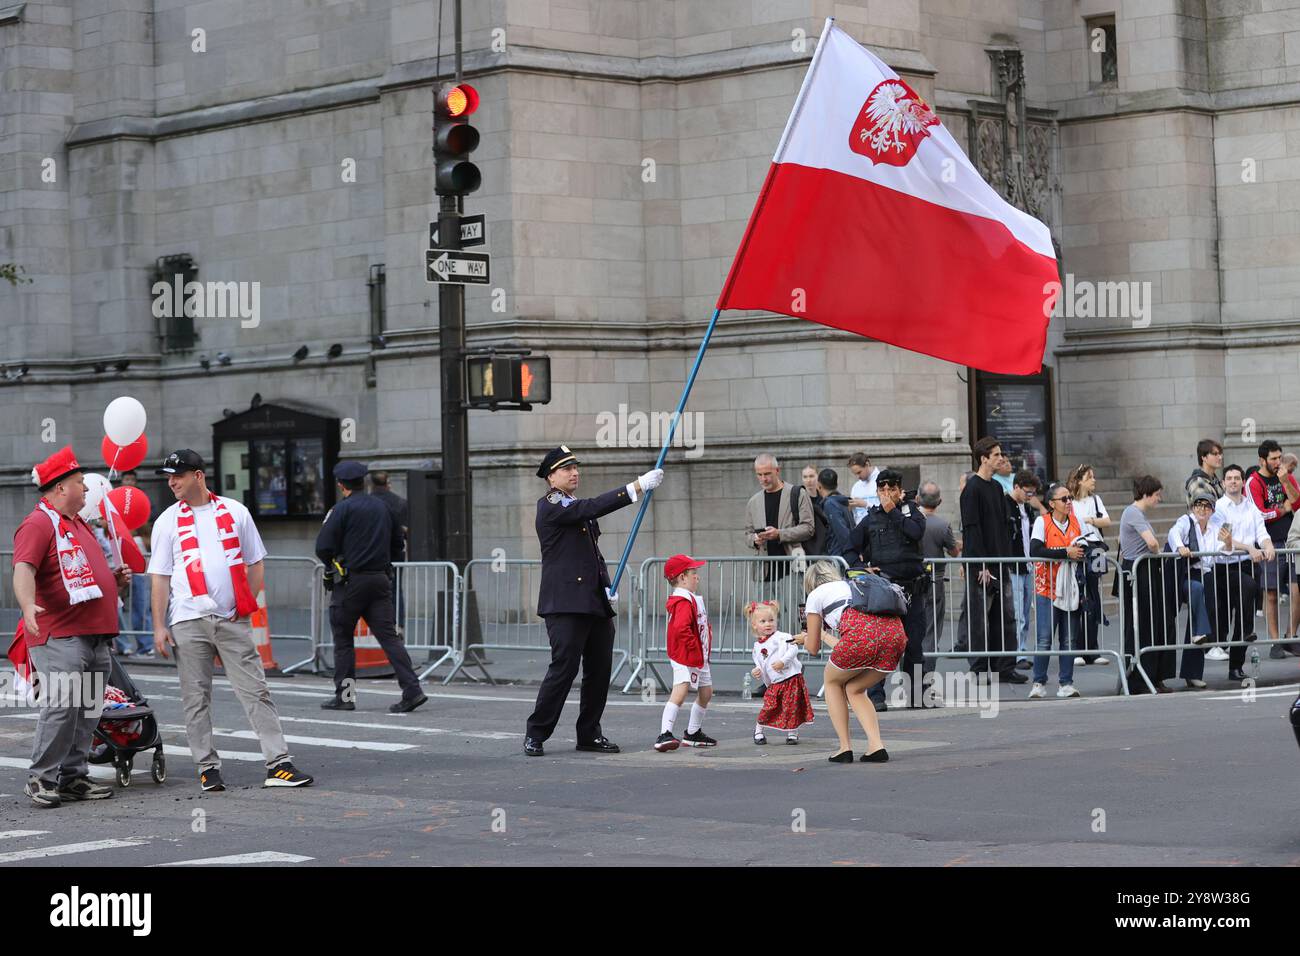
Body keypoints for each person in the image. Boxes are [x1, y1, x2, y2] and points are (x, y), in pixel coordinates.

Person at [149, 449, 313, 791]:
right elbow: (160, 576)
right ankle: (207, 767)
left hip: (230, 618)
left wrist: (246, 604)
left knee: (256, 690)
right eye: (168, 476)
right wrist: (159, 626)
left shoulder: (235, 511)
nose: (171, 482)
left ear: (198, 475)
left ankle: (278, 763)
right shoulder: (166, 521)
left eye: (177, 475)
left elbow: (256, 562)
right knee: (196, 696)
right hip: (187, 618)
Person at [524, 447, 663, 756]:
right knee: (564, 669)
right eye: (566, 469)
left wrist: (605, 586)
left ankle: (589, 733)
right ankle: (536, 732)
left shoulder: (573, 506)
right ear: (551, 477)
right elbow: (592, 507)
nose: (574, 472)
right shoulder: (550, 504)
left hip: (593, 601)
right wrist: (636, 487)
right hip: (565, 604)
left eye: (575, 467)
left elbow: (591, 554)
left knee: (599, 671)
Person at [11, 447, 124, 808]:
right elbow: (23, 569)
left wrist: (113, 581)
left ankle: (73, 776)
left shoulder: (76, 524)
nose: (87, 490)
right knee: (62, 706)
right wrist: (28, 605)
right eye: (80, 483)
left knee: (87, 710)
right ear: (60, 488)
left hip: (93, 634)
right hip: (62, 633)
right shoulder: (39, 523)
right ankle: (41, 778)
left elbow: (85, 575)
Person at [316, 461, 427, 713]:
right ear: (363, 482)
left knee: (344, 640)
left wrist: (334, 563)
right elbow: (398, 543)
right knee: (389, 638)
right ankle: (412, 690)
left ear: (341, 485)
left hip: (350, 583)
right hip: (380, 580)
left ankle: (345, 697)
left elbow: (322, 546)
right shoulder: (384, 508)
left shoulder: (341, 510)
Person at [840, 468, 933, 707]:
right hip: (885, 592)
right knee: (882, 643)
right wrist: (862, 568)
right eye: (883, 489)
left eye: (892, 488)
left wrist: (894, 512)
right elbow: (849, 547)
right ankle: (876, 696)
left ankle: (915, 696)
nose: (887, 493)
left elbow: (915, 532)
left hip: (912, 590)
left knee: (913, 644)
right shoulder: (872, 518)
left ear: (899, 490)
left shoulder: (911, 512)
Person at [799, 561, 905, 763]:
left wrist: (807, 637)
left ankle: (844, 748)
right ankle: (876, 746)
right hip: (895, 635)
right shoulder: (853, 585)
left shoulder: (815, 595)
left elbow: (812, 648)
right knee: (854, 688)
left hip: (860, 637)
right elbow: (846, 643)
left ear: (810, 583)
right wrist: (822, 635)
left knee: (832, 682)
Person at [959, 438, 1027, 683]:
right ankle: (978, 668)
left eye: (1001, 454)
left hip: (1001, 562)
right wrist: (980, 565)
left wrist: (1005, 560)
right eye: (996, 454)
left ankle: (1004, 667)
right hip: (983, 565)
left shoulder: (997, 488)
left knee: (1005, 616)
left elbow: (1002, 527)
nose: (1001, 458)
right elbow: (972, 530)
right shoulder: (972, 489)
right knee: (980, 619)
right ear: (983, 458)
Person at [1168, 491, 1235, 689]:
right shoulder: (1186, 521)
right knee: (1196, 591)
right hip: (1185, 574)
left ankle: (1192, 673)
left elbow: (1223, 553)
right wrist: (1180, 547)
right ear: (1193, 507)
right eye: (1198, 505)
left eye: (1206, 506)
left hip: (1207, 574)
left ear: (1212, 510)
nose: (1202, 509)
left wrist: (1229, 542)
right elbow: (1173, 533)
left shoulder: (1215, 527)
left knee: (1197, 621)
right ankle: (1202, 632)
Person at [1027, 482, 1087, 698]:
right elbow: (1035, 550)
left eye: (1070, 498)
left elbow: (1085, 548)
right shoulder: (1042, 522)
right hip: (1046, 588)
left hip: (1071, 587)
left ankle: (1066, 682)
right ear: (1052, 504)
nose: (1069, 502)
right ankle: (1038, 682)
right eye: (1064, 499)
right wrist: (1065, 553)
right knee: (1044, 638)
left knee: (1069, 638)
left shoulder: (1077, 523)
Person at [1118, 476, 1175, 693]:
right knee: (1145, 624)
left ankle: (1154, 675)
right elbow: (1151, 542)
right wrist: (1157, 552)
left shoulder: (1135, 513)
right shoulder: (1133, 512)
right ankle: (1142, 678)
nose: (1159, 499)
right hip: (1139, 571)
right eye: (1157, 494)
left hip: (1143, 570)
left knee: (1156, 623)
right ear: (1146, 494)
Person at [654, 554, 717, 751]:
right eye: (693, 573)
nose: (697, 577)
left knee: (706, 692)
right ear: (682, 577)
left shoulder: (690, 598)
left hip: (697, 654)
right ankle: (664, 733)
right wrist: (693, 649)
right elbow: (681, 629)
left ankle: (692, 732)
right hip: (686, 654)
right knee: (680, 691)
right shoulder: (682, 600)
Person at [1245, 440, 1300, 657]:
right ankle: (1276, 640)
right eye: (1273, 459)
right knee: (1270, 593)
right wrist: (1281, 509)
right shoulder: (1253, 482)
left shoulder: (1285, 475)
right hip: (1270, 542)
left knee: (1297, 591)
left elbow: (1296, 504)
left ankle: (1290, 636)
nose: (1278, 462)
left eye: (1279, 457)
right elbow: (1258, 514)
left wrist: (1285, 481)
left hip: (1292, 540)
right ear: (1262, 460)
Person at [1216, 464, 1271, 679]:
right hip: (1226, 566)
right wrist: (1249, 547)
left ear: (1242, 481)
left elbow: (1261, 531)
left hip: (1248, 564)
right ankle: (1239, 634)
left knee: (1245, 608)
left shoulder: (1250, 506)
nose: (1233, 482)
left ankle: (1235, 666)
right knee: (1246, 591)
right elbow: (1224, 538)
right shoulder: (1220, 507)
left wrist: (1267, 545)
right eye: (1229, 478)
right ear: (1223, 483)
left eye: (1236, 478)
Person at [748, 600, 814, 744]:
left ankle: (792, 733)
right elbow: (759, 662)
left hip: (790, 678)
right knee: (769, 706)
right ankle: (758, 730)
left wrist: (783, 661)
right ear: (755, 625)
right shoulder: (757, 646)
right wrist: (757, 670)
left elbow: (793, 648)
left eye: (771, 620)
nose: (768, 624)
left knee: (792, 707)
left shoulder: (782, 636)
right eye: (763, 621)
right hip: (775, 682)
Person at [1067, 463, 1112, 666]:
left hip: (1095, 547)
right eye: (1090, 477)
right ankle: (1076, 649)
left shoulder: (1095, 500)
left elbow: (1107, 521)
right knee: (1078, 596)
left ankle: (1092, 649)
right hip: (1078, 547)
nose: (1094, 480)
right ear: (1079, 480)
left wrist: (1091, 520)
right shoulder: (1069, 500)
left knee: (1093, 595)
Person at [744, 453, 814, 580]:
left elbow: (808, 528)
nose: (763, 479)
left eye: (767, 474)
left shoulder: (798, 494)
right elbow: (747, 534)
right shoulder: (753, 502)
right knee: (762, 601)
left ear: (777, 471)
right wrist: (754, 539)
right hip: (763, 572)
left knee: (793, 600)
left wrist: (779, 534)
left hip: (793, 568)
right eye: (759, 475)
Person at [917, 481, 960, 665]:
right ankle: (926, 675)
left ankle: (910, 673)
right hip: (935, 581)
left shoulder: (910, 522)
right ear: (940, 501)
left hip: (913, 581)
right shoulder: (943, 525)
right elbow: (954, 552)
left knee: (911, 628)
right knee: (931, 629)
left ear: (918, 499)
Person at [1006, 471, 1040, 670]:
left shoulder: (1027, 507)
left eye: (1032, 493)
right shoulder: (1006, 505)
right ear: (1017, 486)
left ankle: (1022, 648)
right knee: (1017, 611)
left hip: (1028, 564)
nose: (1030, 496)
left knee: (1026, 611)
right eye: (1027, 492)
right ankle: (1017, 653)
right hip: (1014, 565)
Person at [369, 470, 409, 624]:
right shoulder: (400, 502)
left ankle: (377, 624)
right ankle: (398, 625)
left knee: (372, 589)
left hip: (372, 553)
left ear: (372, 484)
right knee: (395, 589)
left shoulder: (367, 502)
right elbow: (405, 531)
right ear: (388, 483)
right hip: (395, 554)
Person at [817, 468, 854, 559]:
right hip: (843, 555)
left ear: (819, 485)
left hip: (838, 557)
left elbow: (842, 532)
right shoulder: (842, 502)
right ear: (836, 485)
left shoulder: (830, 504)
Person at [1184, 438, 1225, 509]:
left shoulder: (1214, 480)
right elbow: (1203, 512)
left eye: (1220, 454)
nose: (1220, 457)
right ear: (1203, 457)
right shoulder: (1198, 483)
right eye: (1215, 454)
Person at [847, 453, 879, 524]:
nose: (858, 477)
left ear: (867, 465)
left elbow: (888, 509)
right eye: (855, 474)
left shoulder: (882, 481)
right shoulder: (856, 486)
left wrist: (865, 504)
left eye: (859, 472)